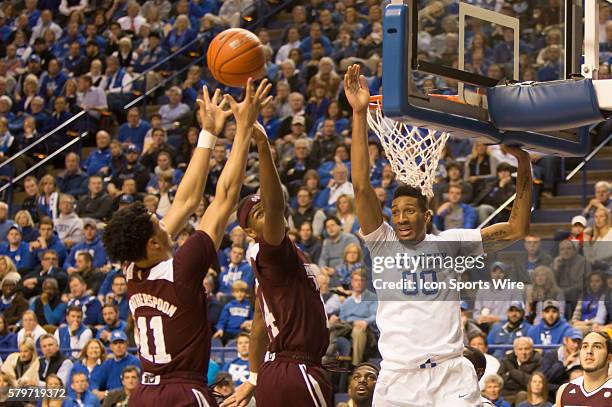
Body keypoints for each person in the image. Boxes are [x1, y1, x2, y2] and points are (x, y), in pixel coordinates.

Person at [339, 64, 532, 406]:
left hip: (448, 374)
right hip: (398, 376)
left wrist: (524, 165)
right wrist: (358, 114)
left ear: (427, 215)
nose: (400, 217)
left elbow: (516, 229)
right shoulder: (381, 242)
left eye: (409, 211)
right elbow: (359, 184)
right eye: (395, 211)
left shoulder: (451, 243)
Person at [102, 81, 269, 406]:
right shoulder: (182, 269)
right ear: (152, 243)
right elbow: (224, 197)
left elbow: (187, 199)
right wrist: (244, 128)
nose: (164, 219)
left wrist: (207, 134)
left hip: (144, 394)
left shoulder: (131, 267)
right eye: (157, 222)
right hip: (182, 392)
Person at [221, 100, 331, 406]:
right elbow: (275, 205)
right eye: (258, 214)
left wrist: (254, 378)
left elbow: (258, 324)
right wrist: (263, 147)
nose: (267, 214)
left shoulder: (269, 266)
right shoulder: (271, 252)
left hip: (275, 371)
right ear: (251, 231)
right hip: (299, 369)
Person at [556, 331, 612, 406]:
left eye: (597, 346)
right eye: (585, 346)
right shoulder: (564, 390)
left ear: (609, 357)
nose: (589, 351)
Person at [540, 328, 582, 400]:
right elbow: (544, 379)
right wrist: (563, 364)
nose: (576, 345)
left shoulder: (583, 357)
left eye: (579, 342)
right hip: (552, 395)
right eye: (573, 341)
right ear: (565, 340)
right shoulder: (551, 355)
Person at [497, 336, 542, 402]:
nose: (523, 352)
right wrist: (521, 381)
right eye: (520, 349)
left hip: (527, 396)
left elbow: (532, 383)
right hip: (506, 395)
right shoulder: (506, 361)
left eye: (526, 349)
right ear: (515, 351)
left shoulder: (539, 362)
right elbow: (499, 381)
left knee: (522, 395)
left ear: (532, 350)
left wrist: (513, 373)